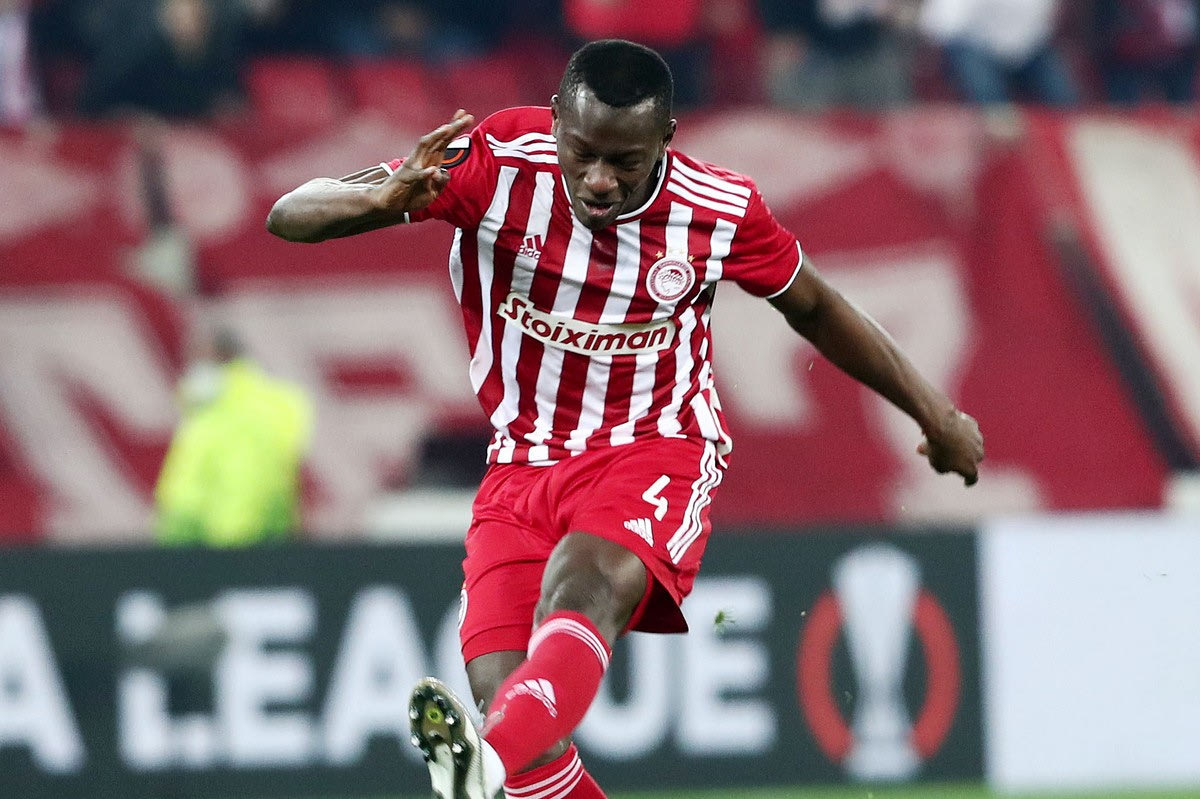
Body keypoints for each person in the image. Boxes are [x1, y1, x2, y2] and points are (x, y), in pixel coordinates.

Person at [266, 39, 984, 799]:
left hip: (655, 448)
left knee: (582, 589)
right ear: (555, 122)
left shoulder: (719, 209)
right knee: (512, 707)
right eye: (582, 154)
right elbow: (288, 215)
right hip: (520, 465)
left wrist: (936, 415)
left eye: (626, 161)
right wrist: (380, 202)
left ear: (666, 140)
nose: (600, 179)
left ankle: (485, 764)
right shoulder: (495, 162)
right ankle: (497, 760)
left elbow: (816, 307)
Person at [154, 327, 313, 547]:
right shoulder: (208, 409)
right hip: (193, 541)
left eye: (201, 359)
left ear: (226, 356)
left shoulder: (249, 408)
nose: (193, 370)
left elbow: (246, 483)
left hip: (223, 545)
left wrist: (231, 550)